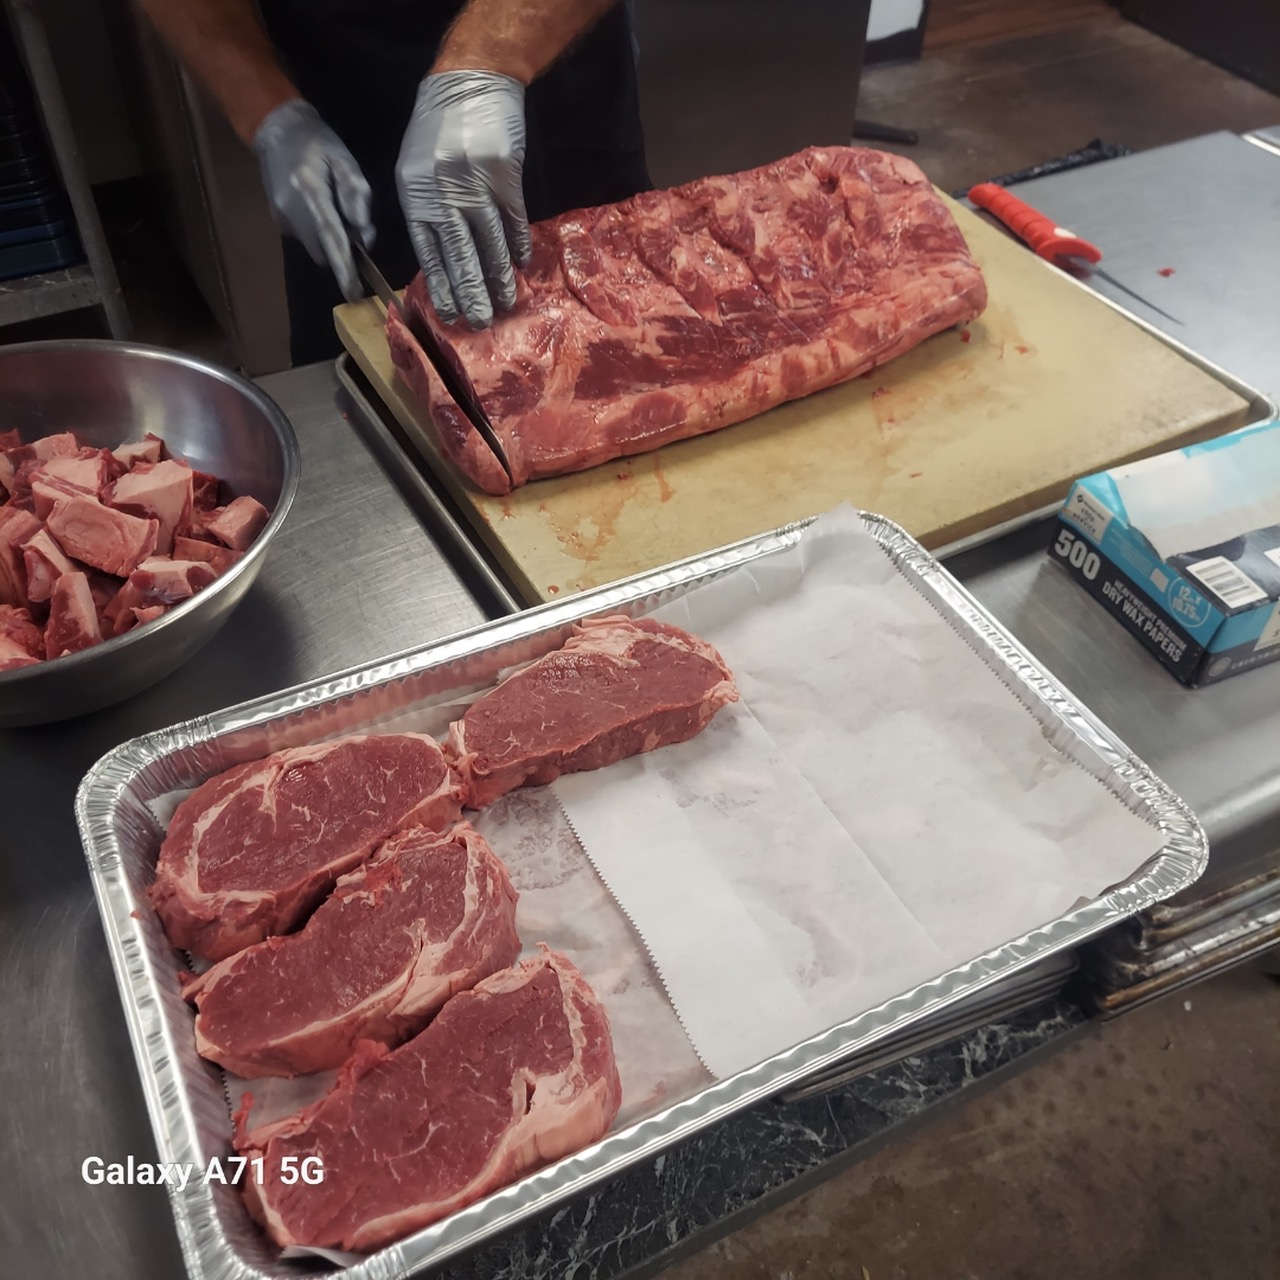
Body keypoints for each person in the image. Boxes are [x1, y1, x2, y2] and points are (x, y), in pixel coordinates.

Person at [136, 0, 650, 364]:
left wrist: (493, 61)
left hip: (544, 61)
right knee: (368, 386)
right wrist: (267, 108)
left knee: (619, 348)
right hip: (340, 94)